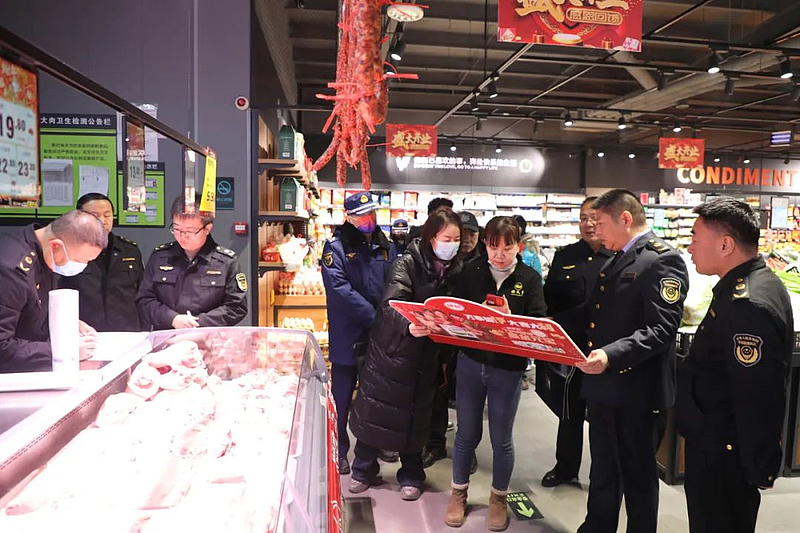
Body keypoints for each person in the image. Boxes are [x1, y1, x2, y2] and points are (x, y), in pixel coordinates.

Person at [554, 189, 688, 533]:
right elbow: (591, 313)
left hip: (637, 392)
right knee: (603, 470)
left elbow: (661, 329)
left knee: (638, 478)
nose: (595, 230)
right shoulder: (616, 258)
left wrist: (610, 355)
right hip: (603, 387)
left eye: (600, 222)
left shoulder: (662, 260)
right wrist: (544, 325)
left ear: (625, 219)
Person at [677, 198, 792, 533]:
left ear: (725, 245)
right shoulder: (753, 283)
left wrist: (760, 465)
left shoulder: (747, 304)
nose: (690, 247)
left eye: (696, 238)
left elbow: (757, 394)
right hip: (717, 444)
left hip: (723, 455)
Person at [348, 207, 463, 501]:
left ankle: (411, 474)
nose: (451, 245)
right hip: (393, 351)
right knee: (376, 410)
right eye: (446, 239)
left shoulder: (457, 270)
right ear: (431, 237)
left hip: (427, 357)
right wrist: (408, 325)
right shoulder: (407, 262)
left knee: (416, 416)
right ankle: (362, 469)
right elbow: (390, 305)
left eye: (456, 240)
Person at [445, 216, 546, 531]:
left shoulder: (530, 278)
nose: (500, 254)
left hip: (508, 368)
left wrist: (510, 317)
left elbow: (539, 323)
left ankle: (498, 498)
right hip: (471, 363)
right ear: (485, 245)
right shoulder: (471, 271)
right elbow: (454, 313)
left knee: (502, 438)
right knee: (465, 434)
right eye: (493, 246)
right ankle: (458, 493)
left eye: (508, 246)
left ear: (518, 246)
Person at [321, 191, 397, 475]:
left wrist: (387, 318)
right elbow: (339, 289)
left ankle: (376, 447)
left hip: (379, 335)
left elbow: (395, 282)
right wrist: (374, 316)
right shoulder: (335, 248)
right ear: (349, 217)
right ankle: (339, 450)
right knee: (342, 398)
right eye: (363, 216)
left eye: (372, 214)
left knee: (377, 396)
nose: (369, 219)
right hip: (347, 335)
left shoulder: (385, 245)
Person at [538, 197, 612, 487]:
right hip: (572, 349)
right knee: (569, 412)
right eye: (583, 218)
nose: (588, 224)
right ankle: (566, 468)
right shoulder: (565, 256)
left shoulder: (620, 256)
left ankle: (602, 474)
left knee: (603, 417)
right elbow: (549, 301)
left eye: (594, 218)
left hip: (608, 351)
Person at [0, 210, 106, 372]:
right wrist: (62, 350)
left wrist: (66, 321)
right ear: (56, 245)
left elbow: (32, 309)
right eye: (78, 260)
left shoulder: (45, 252)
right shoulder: (11, 270)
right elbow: (3, 346)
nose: (82, 267)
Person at [136, 195, 248, 330]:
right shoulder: (160, 257)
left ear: (207, 229)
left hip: (209, 336)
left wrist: (199, 322)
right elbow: (144, 300)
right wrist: (172, 318)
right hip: (167, 335)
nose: (183, 236)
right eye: (177, 229)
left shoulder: (226, 261)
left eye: (190, 231)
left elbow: (236, 307)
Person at [58, 193, 144, 332]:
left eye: (107, 215)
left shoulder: (129, 250)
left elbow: (142, 294)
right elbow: (59, 295)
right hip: (85, 332)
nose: (103, 221)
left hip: (126, 332)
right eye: (95, 216)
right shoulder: (68, 251)